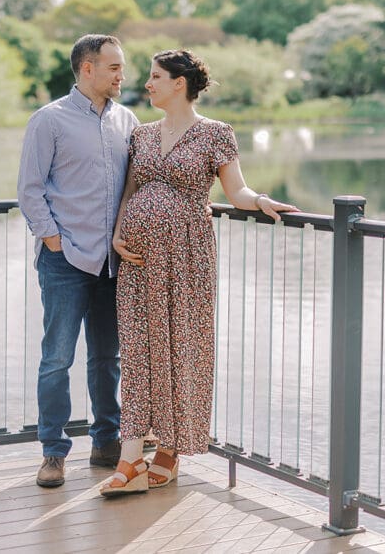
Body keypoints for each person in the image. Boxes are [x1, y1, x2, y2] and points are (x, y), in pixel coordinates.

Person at [100, 49, 298, 496]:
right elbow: (131, 191)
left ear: (180, 84)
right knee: (137, 352)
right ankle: (130, 457)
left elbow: (237, 189)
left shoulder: (215, 134)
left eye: (155, 77)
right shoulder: (142, 135)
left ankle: (168, 455)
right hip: (139, 261)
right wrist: (117, 235)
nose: (146, 84)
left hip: (188, 259)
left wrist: (261, 200)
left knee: (183, 348)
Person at [17, 34, 139, 488]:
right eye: (113, 67)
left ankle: (106, 442)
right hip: (65, 260)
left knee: (108, 358)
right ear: (87, 69)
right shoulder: (48, 121)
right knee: (57, 360)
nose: (121, 76)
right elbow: (30, 188)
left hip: (113, 262)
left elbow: (139, 184)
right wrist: (53, 241)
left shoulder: (127, 120)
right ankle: (53, 453)